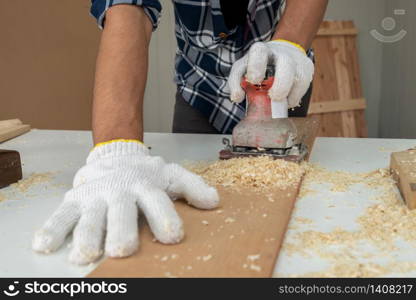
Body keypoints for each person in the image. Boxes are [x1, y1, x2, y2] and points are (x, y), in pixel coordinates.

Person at [32, 0, 328, 264]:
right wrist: (117, 148)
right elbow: (126, 8)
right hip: (200, 84)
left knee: (283, 209)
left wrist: (290, 44)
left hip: (278, 69)